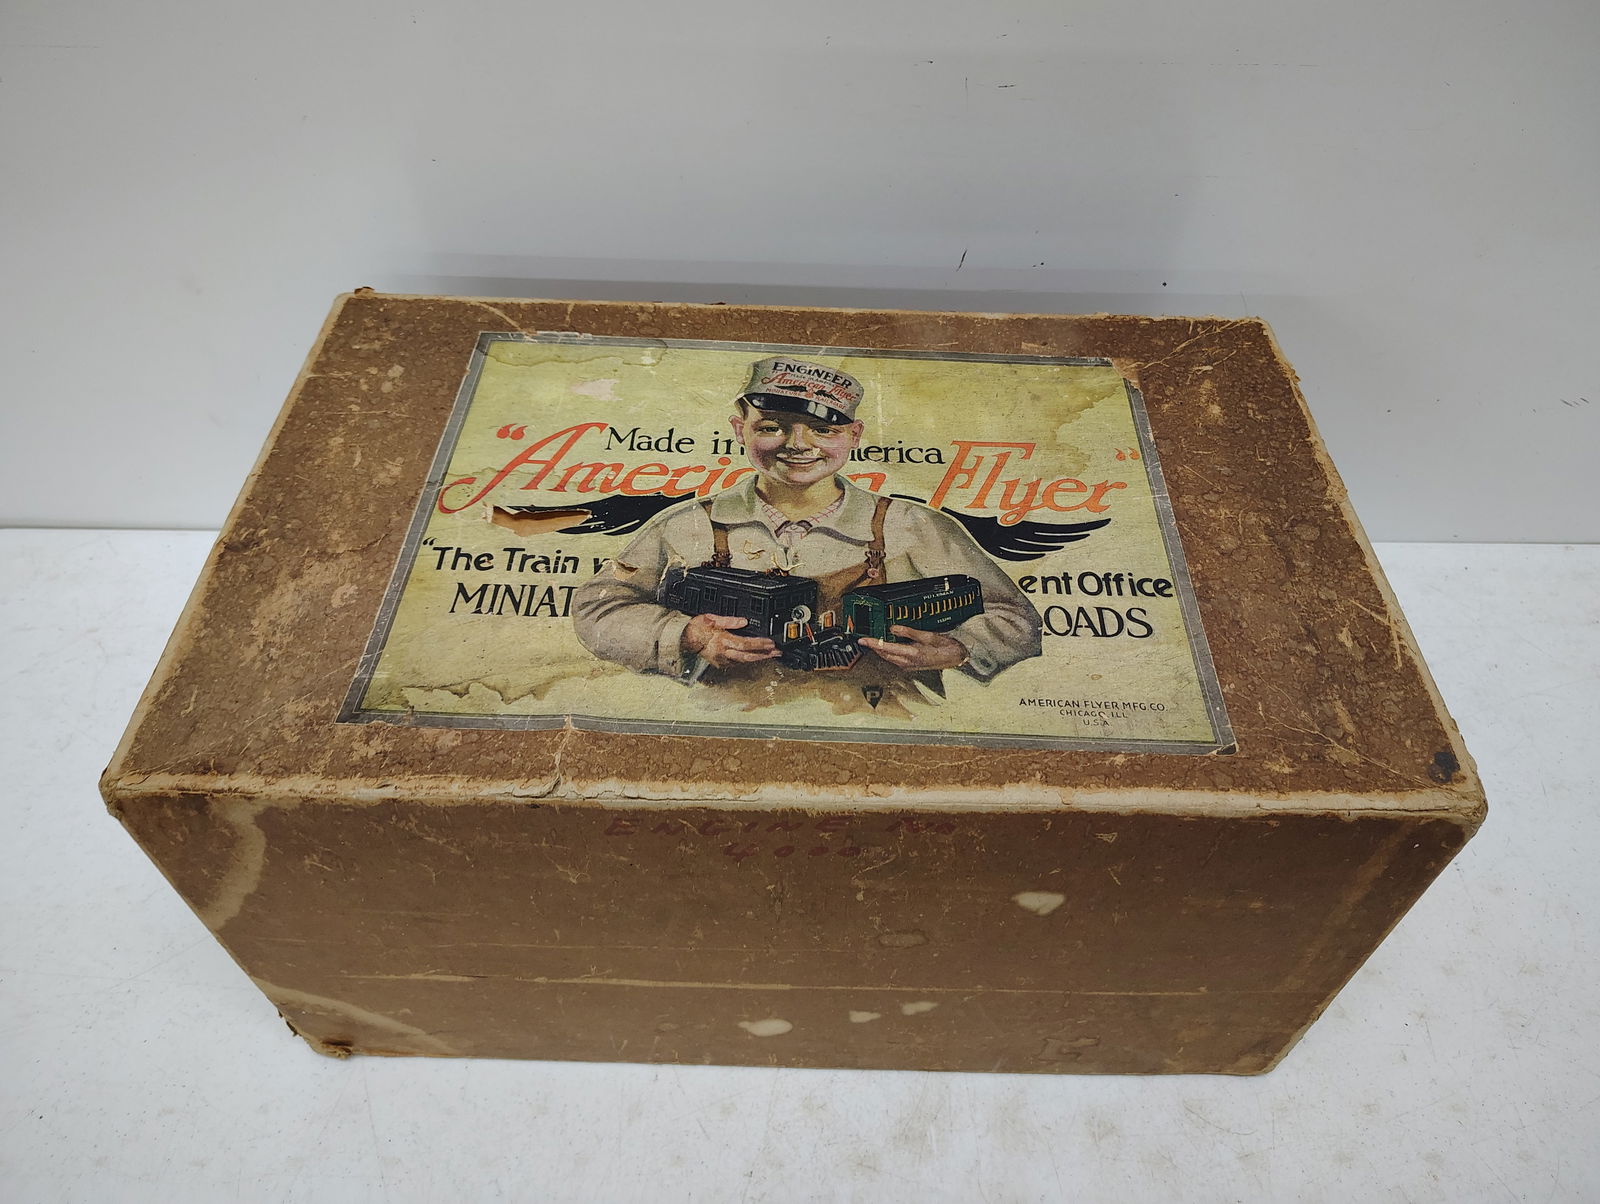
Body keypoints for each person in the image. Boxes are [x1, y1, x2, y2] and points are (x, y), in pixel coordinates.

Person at [571, 357, 1042, 712]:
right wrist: (687, 634)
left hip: (882, 719)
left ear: (854, 435)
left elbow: (1016, 619)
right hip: (728, 718)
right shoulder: (685, 524)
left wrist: (959, 648)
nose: (798, 445)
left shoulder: (913, 525)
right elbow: (598, 608)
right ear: (739, 430)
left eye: (823, 430)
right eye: (771, 427)